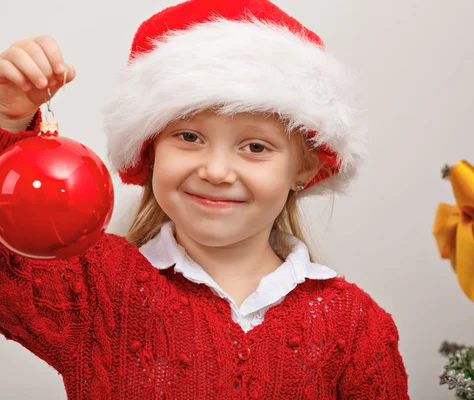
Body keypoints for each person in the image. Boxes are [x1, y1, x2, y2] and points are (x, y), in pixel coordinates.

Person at [0, 0, 409, 398]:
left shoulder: (356, 328)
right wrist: (7, 123)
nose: (215, 171)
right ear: (150, 148)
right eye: (190, 137)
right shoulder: (90, 286)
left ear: (303, 169)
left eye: (255, 147)